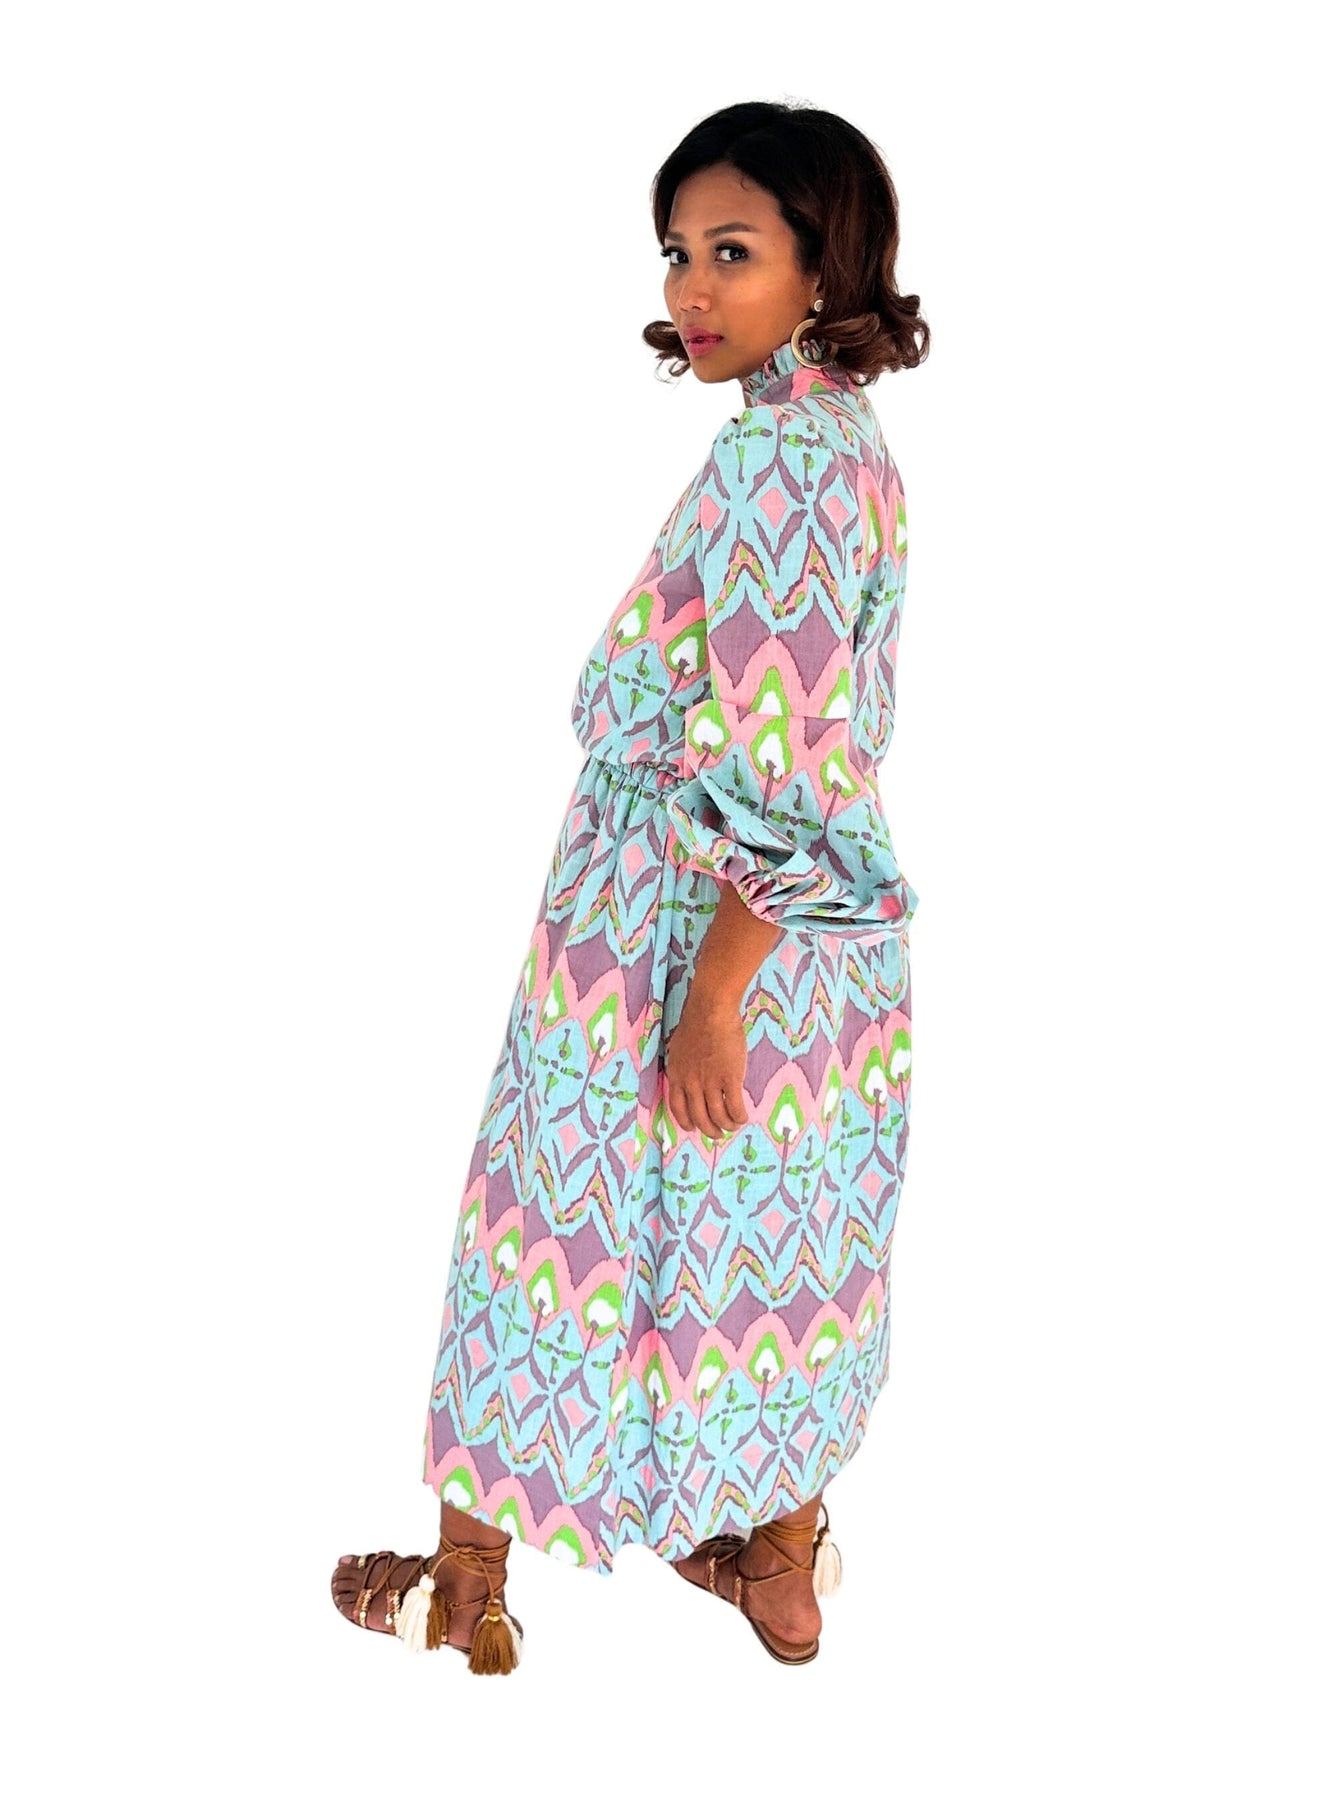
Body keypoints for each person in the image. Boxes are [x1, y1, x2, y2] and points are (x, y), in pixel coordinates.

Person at [330, 98, 929, 1673]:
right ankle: (780, 1559)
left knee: (556, 1222)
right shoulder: (837, 445)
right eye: (676, 253)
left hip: (687, 926)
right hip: (809, 947)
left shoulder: (787, 463)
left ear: (823, 263)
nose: (690, 289)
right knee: (768, 1238)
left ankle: (464, 1580)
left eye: (732, 251)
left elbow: (779, 766)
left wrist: (711, 994)